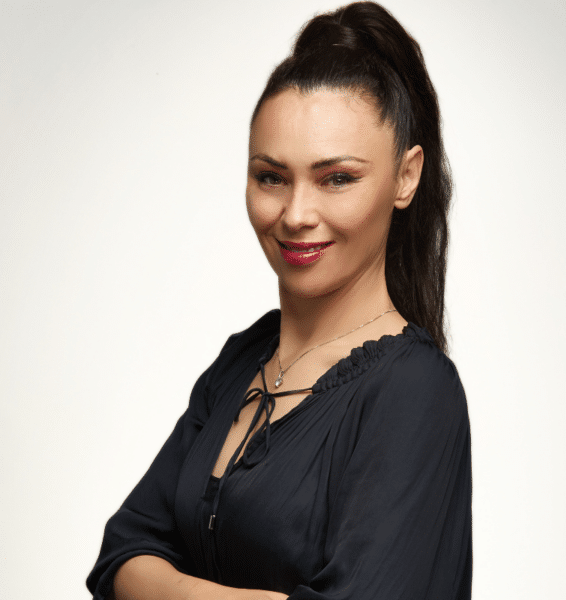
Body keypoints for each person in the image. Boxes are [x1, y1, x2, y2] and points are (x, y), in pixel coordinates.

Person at [86, 2, 472, 599]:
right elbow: (119, 556)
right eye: (272, 177)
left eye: (337, 178)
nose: (295, 214)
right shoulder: (242, 362)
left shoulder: (414, 389)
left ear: (406, 176)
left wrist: (164, 586)